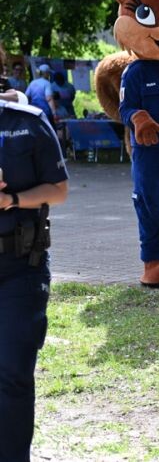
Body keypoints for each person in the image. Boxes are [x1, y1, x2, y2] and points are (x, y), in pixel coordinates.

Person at [0, 93, 69, 462]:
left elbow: (58, 191)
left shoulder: (27, 121)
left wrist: (11, 199)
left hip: (19, 266)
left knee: (12, 373)